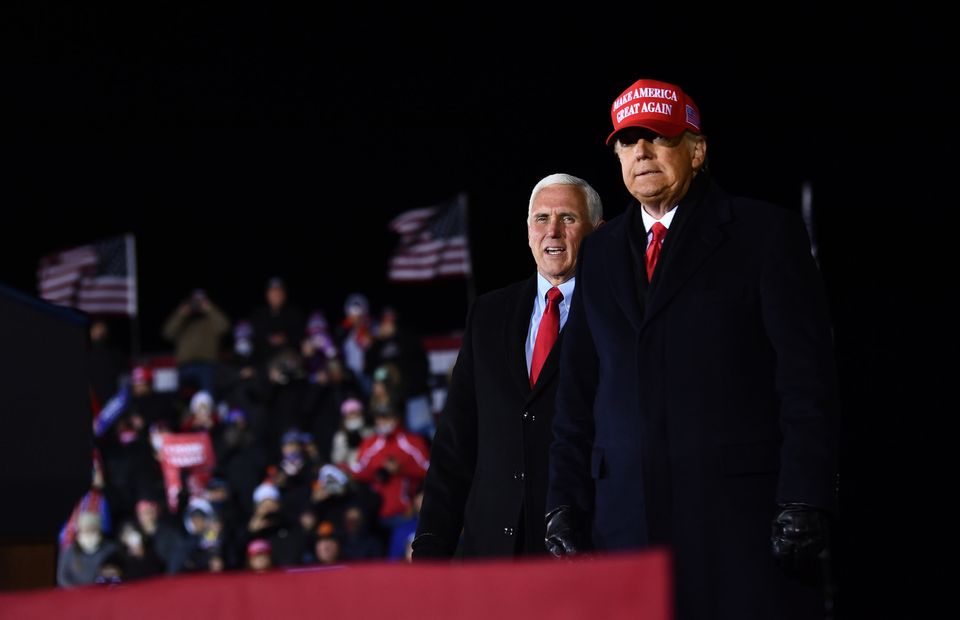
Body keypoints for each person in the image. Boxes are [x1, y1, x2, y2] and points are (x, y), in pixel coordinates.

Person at [544, 78, 839, 619]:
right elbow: (577, 392)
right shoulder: (601, 252)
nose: (642, 153)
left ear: (697, 150)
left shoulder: (764, 234)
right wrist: (562, 502)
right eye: (628, 143)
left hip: (738, 529)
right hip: (624, 526)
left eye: (658, 137)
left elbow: (807, 380)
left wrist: (805, 495)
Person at [412, 173, 603, 558]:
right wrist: (433, 540)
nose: (552, 230)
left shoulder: (613, 314)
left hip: (581, 549)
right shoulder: (488, 313)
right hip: (490, 553)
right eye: (541, 218)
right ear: (528, 230)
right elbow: (456, 440)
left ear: (596, 232)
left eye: (567, 218)